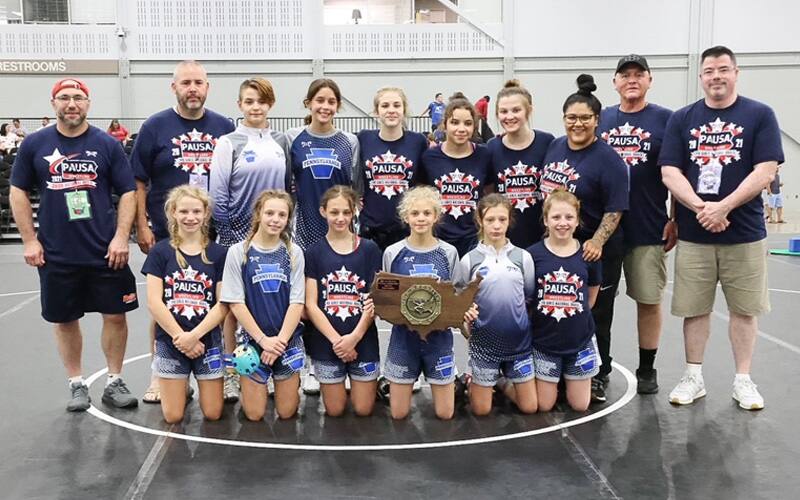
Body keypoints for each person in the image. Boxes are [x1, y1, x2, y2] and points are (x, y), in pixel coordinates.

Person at [659, 46, 784, 410]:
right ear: (700, 76)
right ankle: (693, 376)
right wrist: (701, 208)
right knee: (694, 309)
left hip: (743, 233)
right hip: (695, 234)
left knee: (744, 310)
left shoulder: (760, 114)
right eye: (709, 70)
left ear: (736, 73)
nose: (716, 76)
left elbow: (766, 170)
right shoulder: (682, 119)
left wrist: (724, 206)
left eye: (723, 69)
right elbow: (670, 171)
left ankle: (743, 379)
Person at [9, 77, 139, 412]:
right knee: (65, 319)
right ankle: (76, 383)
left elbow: (127, 191)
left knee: (116, 315)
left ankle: (114, 381)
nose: (72, 104)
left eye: (78, 97)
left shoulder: (106, 145)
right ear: (53, 104)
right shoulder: (35, 144)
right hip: (56, 253)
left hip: (106, 250)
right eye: (64, 97)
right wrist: (29, 240)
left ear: (88, 103)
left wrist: (122, 236)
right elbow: (18, 191)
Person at [131, 60, 234, 404]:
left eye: (199, 82)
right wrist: (142, 224)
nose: (193, 88)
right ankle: (161, 373)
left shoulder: (224, 126)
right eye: (186, 82)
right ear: (173, 87)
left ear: (208, 87)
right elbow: (138, 180)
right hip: (166, 232)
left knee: (210, 300)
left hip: (213, 232)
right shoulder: (155, 126)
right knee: (167, 302)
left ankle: (216, 367)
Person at [539, 74, 628, 403]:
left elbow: (616, 208)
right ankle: (559, 370)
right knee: (558, 309)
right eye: (571, 117)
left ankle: (598, 372)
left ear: (597, 120)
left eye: (585, 118)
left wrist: (597, 242)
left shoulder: (609, 160)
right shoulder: (555, 146)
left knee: (595, 313)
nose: (578, 124)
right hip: (558, 246)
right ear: (564, 119)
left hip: (592, 250)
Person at [598, 54, 675, 394]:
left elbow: (676, 172)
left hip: (649, 226)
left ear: (649, 80)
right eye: (624, 74)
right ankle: (600, 364)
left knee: (648, 298)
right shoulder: (600, 119)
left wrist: (676, 218)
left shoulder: (666, 120)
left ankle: (647, 367)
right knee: (601, 303)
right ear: (614, 82)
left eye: (638, 74)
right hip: (605, 230)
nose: (631, 79)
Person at [142, 186, 227, 423]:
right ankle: (178, 384)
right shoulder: (160, 252)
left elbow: (223, 304)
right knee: (173, 416)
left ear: (206, 213)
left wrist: (195, 336)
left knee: (213, 413)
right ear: (172, 212)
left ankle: (189, 381)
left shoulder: (218, 253)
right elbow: (154, 302)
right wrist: (182, 337)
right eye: (184, 211)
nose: (190, 217)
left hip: (206, 341)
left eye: (196, 211)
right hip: (171, 341)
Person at [220, 190, 306, 420]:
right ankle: (248, 384)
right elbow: (236, 304)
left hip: (286, 340)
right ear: (258, 213)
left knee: (287, 412)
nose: (275, 219)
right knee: (255, 415)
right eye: (269, 213)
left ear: (288, 219)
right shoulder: (238, 252)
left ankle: (285, 380)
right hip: (252, 341)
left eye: (282, 214)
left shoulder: (294, 252)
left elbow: (297, 303)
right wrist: (263, 341)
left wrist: (279, 342)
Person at [382, 186, 461, 420]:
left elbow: (455, 295)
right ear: (406, 217)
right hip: (404, 339)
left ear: (436, 216)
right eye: (415, 213)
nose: (421, 218)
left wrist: (462, 314)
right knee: (398, 414)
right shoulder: (393, 252)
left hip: (438, 339)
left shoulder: (448, 253)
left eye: (427, 213)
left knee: (446, 414)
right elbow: (386, 296)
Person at [455, 194, 537, 416]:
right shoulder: (470, 261)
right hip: (484, 345)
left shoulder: (523, 258)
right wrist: (466, 324)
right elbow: (460, 304)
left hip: (519, 345)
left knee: (530, 407)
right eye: (490, 220)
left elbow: (528, 296)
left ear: (510, 220)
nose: (497, 226)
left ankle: (500, 382)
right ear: (480, 221)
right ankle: (479, 379)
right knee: (481, 411)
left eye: (502, 219)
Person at [304, 186, 383, 416]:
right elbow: (311, 304)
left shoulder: (369, 249)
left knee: (363, 410)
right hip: (328, 341)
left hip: (362, 339)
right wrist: (338, 342)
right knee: (335, 411)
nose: (340, 218)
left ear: (354, 212)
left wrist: (354, 338)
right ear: (323, 212)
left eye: (346, 213)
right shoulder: (314, 252)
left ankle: (373, 386)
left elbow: (373, 301)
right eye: (334, 212)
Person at [527, 190, 602, 412]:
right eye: (556, 217)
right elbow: (527, 298)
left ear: (577, 220)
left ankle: (566, 379)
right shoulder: (532, 255)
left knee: (580, 405)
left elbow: (590, 299)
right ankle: (508, 383)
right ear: (545, 220)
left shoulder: (589, 255)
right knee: (543, 405)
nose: (562, 223)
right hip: (544, 342)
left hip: (579, 341)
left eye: (569, 217)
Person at [209, 77, 291, 247]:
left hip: (274, 235)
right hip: (238, 237)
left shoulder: (281, 141)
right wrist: (227, 238)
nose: (255, 107)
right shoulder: (228, 142)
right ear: (240, 105)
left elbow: (288, 189)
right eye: (249, 102)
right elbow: (218, 196)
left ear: (271, 104)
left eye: (262, 102)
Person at [287, 78, 359, 252]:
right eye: (320, 100)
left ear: (338, 106)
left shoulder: (350, 141)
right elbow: (287, 186)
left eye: (331, 102)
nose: (325, 107)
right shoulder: (292, 137)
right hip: (304, 228)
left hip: (339, 226)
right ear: (309, 103)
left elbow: (354, 188)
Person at [417, 93, 493, 257]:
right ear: (444, 124)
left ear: (474, 127)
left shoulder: (484, 155)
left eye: (467, 123)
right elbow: (421, 195)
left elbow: (489, 193)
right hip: (438, 238)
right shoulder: (429, 157)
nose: (461, 129)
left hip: (474, 238)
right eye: (454, 122)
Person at [355, 86, 428, 250]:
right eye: (385, 106)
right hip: (371, 228)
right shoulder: (364, 138)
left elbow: (423, 183)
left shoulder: (418, 142)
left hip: (405, 228)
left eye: (396, 105)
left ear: (404, 109)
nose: (391, 110)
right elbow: (355, 175)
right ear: (376, 111)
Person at [488, 80, 555, 248]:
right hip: (505, 240)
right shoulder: (491, 147)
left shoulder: (547, 142)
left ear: (529, 111)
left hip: (542, 238)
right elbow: (488, 194)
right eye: (503, 111)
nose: (509, 116)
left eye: (516, 110)